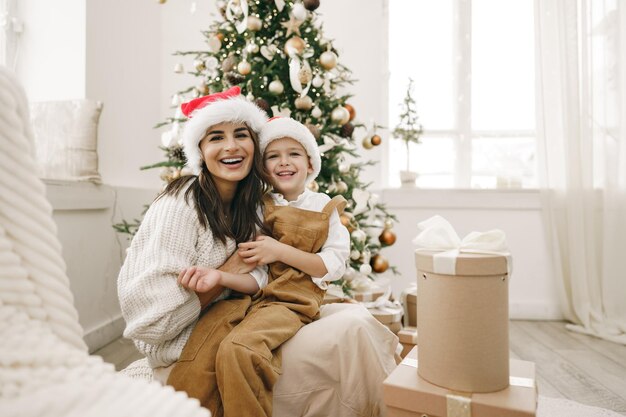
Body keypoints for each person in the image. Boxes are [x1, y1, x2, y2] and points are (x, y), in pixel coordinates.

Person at [168, 117, 350, 417]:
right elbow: (258, 277)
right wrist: (220, 277)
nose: (284, 162)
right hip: (255, 299)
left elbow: (331, 266)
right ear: (263, 168)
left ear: (310, 164)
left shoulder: (323, 207)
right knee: (206, 342)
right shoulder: (260, 207)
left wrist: (279, 250)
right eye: (273, 156)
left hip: (292, 302)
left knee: (239, 349)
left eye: (293, 153)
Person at [117, 86, 270, 378]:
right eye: (216, 137)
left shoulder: (252, 204)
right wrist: (231, 268)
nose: (231, 147)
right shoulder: (181, 203)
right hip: (185, 349)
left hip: (240, 329)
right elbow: (151, 325)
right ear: (199, 150)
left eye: (241, 135)